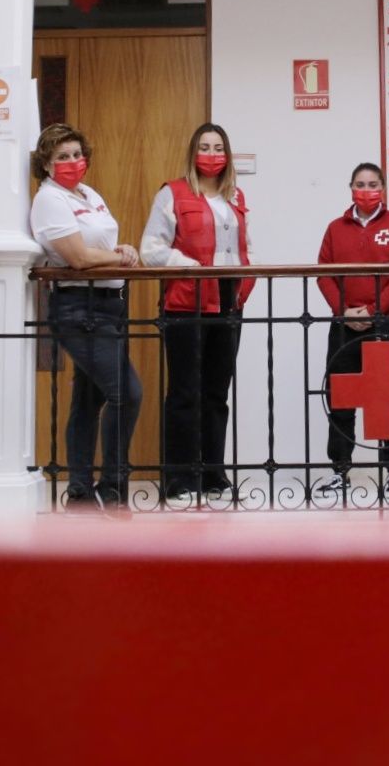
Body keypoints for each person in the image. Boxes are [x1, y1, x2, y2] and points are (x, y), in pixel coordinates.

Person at [28, 123, 142, 512]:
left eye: (77, 154)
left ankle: (79, 490)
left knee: (88, 399)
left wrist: (116, 253)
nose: (73, 162)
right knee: (126, 392)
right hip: (79, 308)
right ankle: (113, 486)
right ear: (45, 163)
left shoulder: (87, 194)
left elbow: (99, 244)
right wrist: (120, 254)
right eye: (62, 156)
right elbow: (76, 257)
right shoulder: (49, 199)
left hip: (109, 305)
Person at [140, 123, 254, 506]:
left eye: (218, 146)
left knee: (216, 393)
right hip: (186, 300)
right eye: (204, 146)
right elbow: (150, 249)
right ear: (193, 152)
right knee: (185, 392)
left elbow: (244, 249)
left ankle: (213, 474)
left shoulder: (234, 196)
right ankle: (178, 477)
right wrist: (189, 266)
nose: (211, 153)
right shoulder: (171, 193)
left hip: (228, 301)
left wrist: (243, 290)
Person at [315, 163, 389, 501]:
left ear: (384, 188)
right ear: (350, 187)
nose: (366, 189)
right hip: (343, 324)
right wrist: (344, 312)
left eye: (373, 184)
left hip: (386, 324)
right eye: (360, 183)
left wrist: (373, 312)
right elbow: (323, 274)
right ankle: (340, 471)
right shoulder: (334, 228)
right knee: (340, 398)